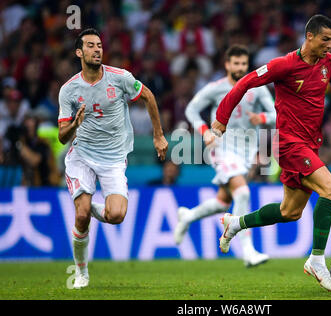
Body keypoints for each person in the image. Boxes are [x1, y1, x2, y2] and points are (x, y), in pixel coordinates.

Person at [211, 15, 331, 291]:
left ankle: (235, 223)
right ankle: (316, 259)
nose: (330, 45)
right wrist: (222, 118)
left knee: (290, 212)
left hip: (310, 143)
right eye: (325, 39)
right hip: (288, 143)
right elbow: (245, 83)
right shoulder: (284, 65)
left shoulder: (329, 63)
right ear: (309, 36)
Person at [58, 28, 168, 289]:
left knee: (116, 215)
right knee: (82, 215)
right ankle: (82, 273)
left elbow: (149, 96)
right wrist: (75, 124)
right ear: (79, 52)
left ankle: (84, 206)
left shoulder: (120, 78)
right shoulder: (69, 89)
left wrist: (158, 136)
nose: (97, 50)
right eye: (90, 46)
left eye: (99, 45)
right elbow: (63, 136)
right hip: (82, 154)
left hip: (114, 158)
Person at [174, 45, 276, 267]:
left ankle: (188, 216)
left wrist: (262, 117)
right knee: (242, 194)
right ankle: (248, 252)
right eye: (236, 63)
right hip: (221, 147)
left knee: (223, 201)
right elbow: (191, 109)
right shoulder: (215, 88)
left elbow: (275, 113)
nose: (240, 67)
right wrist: (205, 132)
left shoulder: (257, 88)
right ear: (227, 64)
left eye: (243, 63)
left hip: (246, 151)